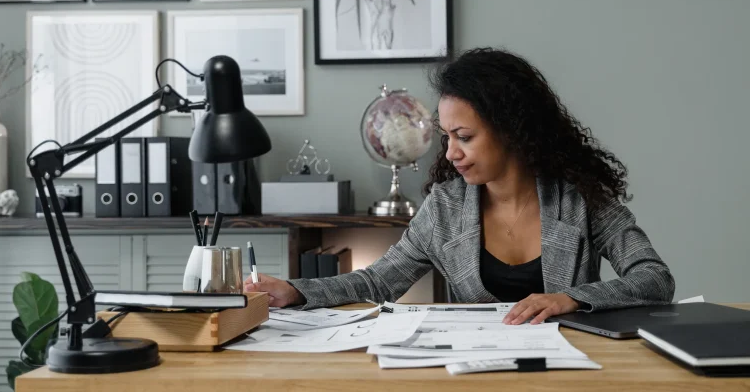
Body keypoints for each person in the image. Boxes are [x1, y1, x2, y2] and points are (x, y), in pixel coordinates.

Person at [245, 47, 676, 325]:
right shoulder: (445, 208)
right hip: (475, 373)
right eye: (447, 136)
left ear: (511, 130)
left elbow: (654, 278)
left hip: (571, 368)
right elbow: (377, 283)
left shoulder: (579, 198)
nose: (450, 153)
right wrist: (297, 290)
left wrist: (572, 299)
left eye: (464, 137)